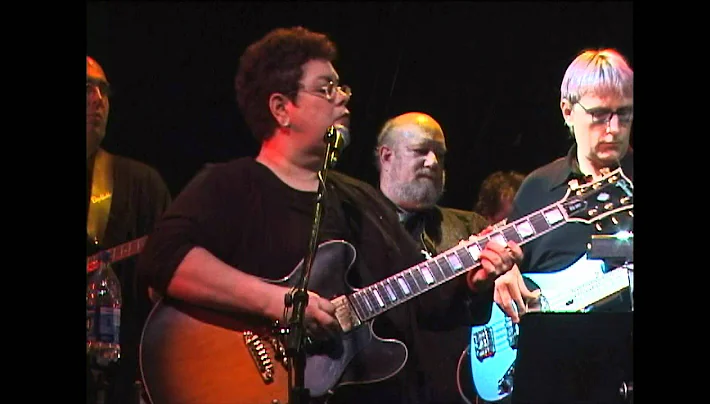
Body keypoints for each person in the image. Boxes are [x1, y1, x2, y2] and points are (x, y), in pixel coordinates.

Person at [134, 26, 521, 404]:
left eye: (341, 87)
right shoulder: (231, 184)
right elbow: (163, 259)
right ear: (281, 108)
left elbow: (420, 304)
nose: (343, 100)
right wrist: (280, 301)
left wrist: (470, 281)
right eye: (326, 89)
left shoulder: (361, 200)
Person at [491, 48, 633, 401]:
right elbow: (504, 257)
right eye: (600, 115)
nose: (613, 129)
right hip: (552, 378)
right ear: (568, 111)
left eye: (625, 114)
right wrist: (503, 273)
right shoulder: (540, 186)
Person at [375, 112, 492, 403]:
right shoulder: (356, 225)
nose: (433, 162)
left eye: (440, 154)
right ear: (387, 156)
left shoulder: (470, 228)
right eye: (421, 151)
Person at [86, 56, 172, 404]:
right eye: (86, 89)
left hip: (120, 377)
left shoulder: (141, 183)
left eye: (103, 89)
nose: (98, 99)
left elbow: (170, 276)